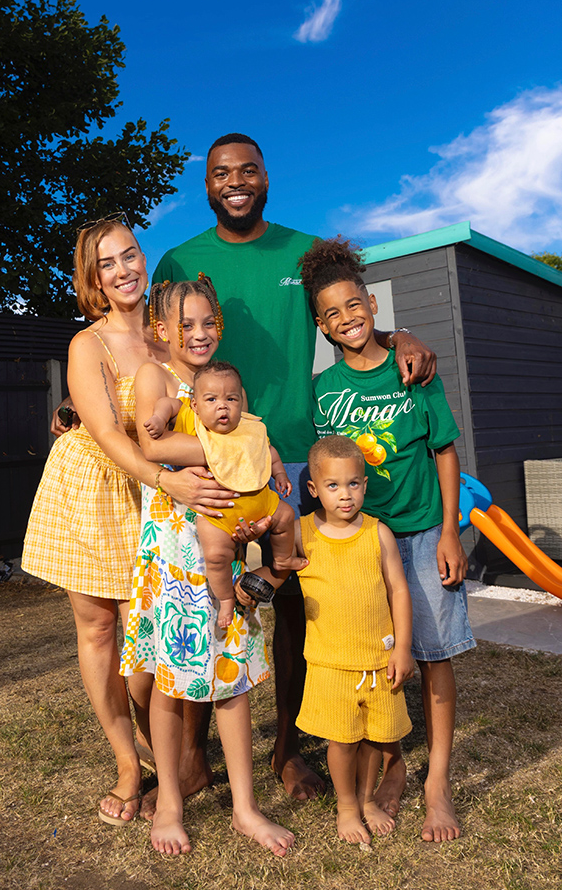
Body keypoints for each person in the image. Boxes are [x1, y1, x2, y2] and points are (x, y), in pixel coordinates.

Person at [150, 132, 436, 808]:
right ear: (208, 184)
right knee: (205, 602)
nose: (236, 181)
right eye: (222, 173)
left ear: (266, 177)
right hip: (209, 459)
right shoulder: (178, 257)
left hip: (296, 457)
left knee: (292, 609)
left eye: (248, 169)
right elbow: (145, 341)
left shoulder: (302, 252)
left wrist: (401, 335)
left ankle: (283, 752)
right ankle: (191, 756)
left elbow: (346, 311)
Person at [22, 216, 237, 827]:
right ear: (93, 277)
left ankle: (183, 756)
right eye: (108, 262)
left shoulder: (171, 336)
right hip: (95, 491)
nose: (124, 269)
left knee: (152, 639)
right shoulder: (86, 346)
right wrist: (165, 477)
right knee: (98, 633)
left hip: (159, 503)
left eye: (131, 255)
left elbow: (202, 408)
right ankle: (127, 763)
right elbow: (110, 435)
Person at [301, 236, 476, 842]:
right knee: (379, 660)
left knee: (431, 654)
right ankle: (394, 766)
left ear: (373, 304)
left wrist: (451, 531)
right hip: (361, 544)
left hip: (425, 531)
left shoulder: (414, 370)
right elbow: (325, 469)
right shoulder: (324, 391)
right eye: (332, 314)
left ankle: (437, 785)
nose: (347, 319)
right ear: (321, 326)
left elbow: (445, 450)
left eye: (355, 306)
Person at [120, 278, 294, 856]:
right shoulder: (157, 377)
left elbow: (251, 449)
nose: (198, 334)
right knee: (170, 683)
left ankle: (245, 806)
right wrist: (244, 452)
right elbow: (155, 448)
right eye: (185, 325)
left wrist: (258, 456)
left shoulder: (220, 386)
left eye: (207, 323)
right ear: (161, 331)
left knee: (232, 679)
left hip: (221, 550)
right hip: (172, 554)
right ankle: (169, 802)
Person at [295, 435, 414, 845]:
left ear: (365, 484)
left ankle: (366, 800)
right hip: (330, 663)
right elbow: (273, 564)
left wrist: (402, 647)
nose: (344, 495)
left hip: (378, 660)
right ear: (314, 489)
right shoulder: (302, 532)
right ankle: (346, 807)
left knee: (374, 739)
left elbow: (399, 590)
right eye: (332, 486)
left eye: (353, 484)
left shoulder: (378, 533)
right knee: (342, 740)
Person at [145, 357, 306, 628]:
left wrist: (279, 473)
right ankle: (226, 600)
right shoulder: (187, 416)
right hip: (220, 513)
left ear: (241, 403)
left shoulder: (248, 427)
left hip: (261, 502)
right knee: (216, 556)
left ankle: (282, 558)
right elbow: (167, 404)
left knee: (286, 516)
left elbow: (268, 451)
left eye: (231, 399)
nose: (223, 406)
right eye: (211, 400)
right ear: (195, 405)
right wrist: (160, 419)